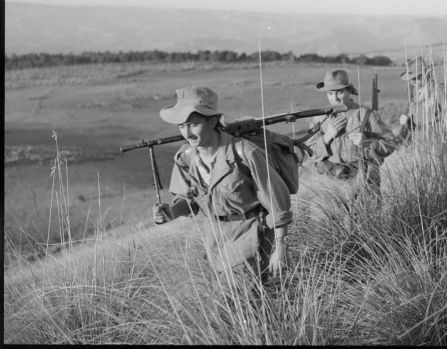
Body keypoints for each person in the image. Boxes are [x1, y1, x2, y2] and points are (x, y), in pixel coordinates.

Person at [152, 86, 292, 286]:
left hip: (250, 235)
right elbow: (189, 200)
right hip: (215, 241)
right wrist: (171, 212)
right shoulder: (186, 157)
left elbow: (278, 202)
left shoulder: (245, 153)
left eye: (193, 124)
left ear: (211, 121)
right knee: (248, 304)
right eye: (182, 126)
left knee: (234, 302)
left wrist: (281, 247)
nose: (187, 133)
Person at [306, 69, 398, 196]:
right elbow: (310, 151)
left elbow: (390, 143)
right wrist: (326, 137)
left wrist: (367, 142)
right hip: (332, 182)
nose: (335, 98)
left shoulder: (365, 114)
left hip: (364, 181)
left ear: (348, 91)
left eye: (340, 92)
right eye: (330, 94)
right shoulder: (319, 119)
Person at [397, 57, 447, 140]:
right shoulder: (414, 89)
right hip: (419, 133)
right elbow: (410, 106)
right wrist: (406, 116)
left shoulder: (438, 89)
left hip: (436, 134)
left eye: (415, 78)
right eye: (411, 79)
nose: (412, 81)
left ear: (426, 74)